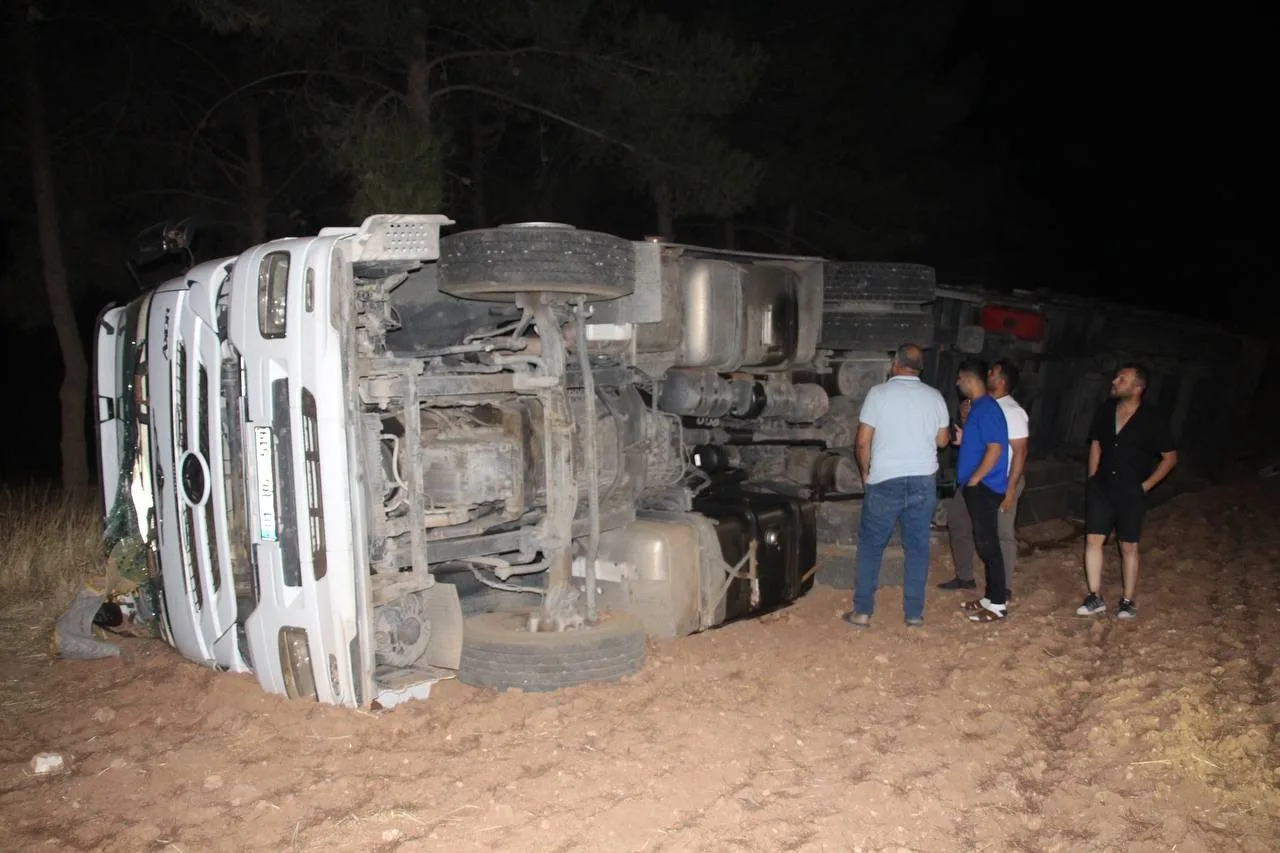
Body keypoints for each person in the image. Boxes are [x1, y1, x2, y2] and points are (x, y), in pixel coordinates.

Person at [844, 343, 950, 629]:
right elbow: (942, 441)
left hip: (885, 481)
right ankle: (913, 614)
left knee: (871, 547)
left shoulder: (878, 394)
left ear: (895, 363)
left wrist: (866, 474)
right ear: (920, 367)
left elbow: (863, 441)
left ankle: (863, 612)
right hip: (922, 482)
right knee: (917, 548)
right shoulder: (935, 397)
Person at [1076, 364, 1177, 620]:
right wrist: (1092, 478)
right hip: (1102, 486)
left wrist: (1145, 486)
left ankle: (1128, 600)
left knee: (1129, 545)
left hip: (1131, 490)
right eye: (1117, 377)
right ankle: (1094, 596)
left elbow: (1169, 458)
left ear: (1138, 387)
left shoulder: (1152, 418)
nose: (1115, 381)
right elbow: (1096, 445)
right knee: (1093, 540)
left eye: (1123, 379)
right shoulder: (1106, 410)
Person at [939, 361, 1029, 598]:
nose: (988, 373)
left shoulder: (1011, 411)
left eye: (992, 372)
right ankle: (965, 577)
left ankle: (1003, 589)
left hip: (996, 480)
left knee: (1000, 534)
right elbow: (978, 441)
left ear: (1001, 382)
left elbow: (1017, 452)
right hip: (975, 479)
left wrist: (1010, 489)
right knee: (959, 522)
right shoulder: (980, 406)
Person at [954, 360, 1010, 623]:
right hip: (979, 486)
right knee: (984, 542)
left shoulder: (986, 408)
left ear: (969, 378)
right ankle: (990, 597)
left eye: (959, 379)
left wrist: (975, 479)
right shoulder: (979, 408)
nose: (957, 384)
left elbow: (996, 448)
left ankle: (998, 604)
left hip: (984, 487)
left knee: (989, 545)